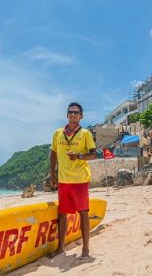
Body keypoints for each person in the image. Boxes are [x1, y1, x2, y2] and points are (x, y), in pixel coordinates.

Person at [50, 102, 97, 259]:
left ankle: (85, 250)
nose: (73, 114)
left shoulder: (85, 134)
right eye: (71, 112)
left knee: (83, 213)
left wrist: (79, 156)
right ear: (67, 114)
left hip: (80, 180)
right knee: (62, 213)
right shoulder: (58, 133)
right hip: (63, 180)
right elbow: (53, 153)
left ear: (81, 116)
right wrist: (52, 173)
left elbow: (93, 154)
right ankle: (60, 248)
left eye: (77, 112)